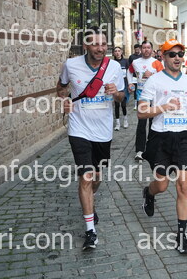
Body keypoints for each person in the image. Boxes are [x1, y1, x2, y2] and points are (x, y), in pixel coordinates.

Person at [56, 27, 125, 251]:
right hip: (79, 129)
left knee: (96, 178)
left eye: (103, 44)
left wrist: (116, 93)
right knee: (85, 177)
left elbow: (122, 97)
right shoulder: (71, 65)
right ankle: (90, 231)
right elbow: (60, 89)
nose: (100, 48)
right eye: (95, 44)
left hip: (103, 132)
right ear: (86, 45)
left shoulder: (114, 67)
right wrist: (65, 100)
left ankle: (90, 200)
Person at [138, 39, 187, 255]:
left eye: (180, 54)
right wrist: (164, 107)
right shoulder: (154, 81)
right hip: (160, 138)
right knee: (162, 185)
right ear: (163, 57)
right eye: (172, 54)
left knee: (183, 185)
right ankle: (149, 193)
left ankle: (182, 235)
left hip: (183, 137)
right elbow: (141, 112)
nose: (177, 58)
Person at [127, 41, 164, 161]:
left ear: (152, 50)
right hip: (141, 96)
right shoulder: (135, 62)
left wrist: (152, 76)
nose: (146, 50)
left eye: (148, 48)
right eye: (144, 48)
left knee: (154, 123)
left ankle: (153, 149)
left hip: (155, 97)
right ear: (140, 49)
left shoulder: (157, 63)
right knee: (141, 123)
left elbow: (164, 77)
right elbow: (129, 71)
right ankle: (140, 150)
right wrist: (130, 83)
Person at [112, 46, 130, 130]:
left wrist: (130, 84)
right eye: (115, 51)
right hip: (116, 86)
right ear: (113, 53)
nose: (117, 52)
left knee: (123, 104)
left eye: (119, 51)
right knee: (116, 105)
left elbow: (129, 73)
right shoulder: (112, 63)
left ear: (121, 52)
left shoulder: (125, 61)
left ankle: (125, 120)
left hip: (124, 85)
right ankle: (117, 123)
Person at [128, 44, 142, 110]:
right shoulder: (131, 57)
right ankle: (135, 104)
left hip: (140, 77)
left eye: (138, 49)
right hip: (134, 77)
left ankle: (141, 102)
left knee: (140, 90)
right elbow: (129, 66)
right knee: (135, 90)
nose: (137, 50)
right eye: (136, 49)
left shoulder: (142, 56)